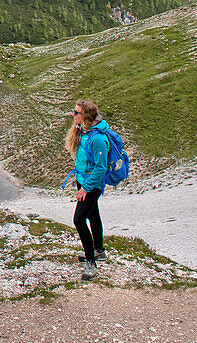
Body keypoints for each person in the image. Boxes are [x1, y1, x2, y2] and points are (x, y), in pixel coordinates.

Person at [65, 99, 110, 281]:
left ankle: (91, 264)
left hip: (91, 185)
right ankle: (99, 251)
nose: (73, 115)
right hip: (83, 180)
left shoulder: (98, 138)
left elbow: (101, 168)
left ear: (86, 116)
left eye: (76, 113)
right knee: (93, 215)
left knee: (79, 219)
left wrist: (85, 188)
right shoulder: (84, 132)